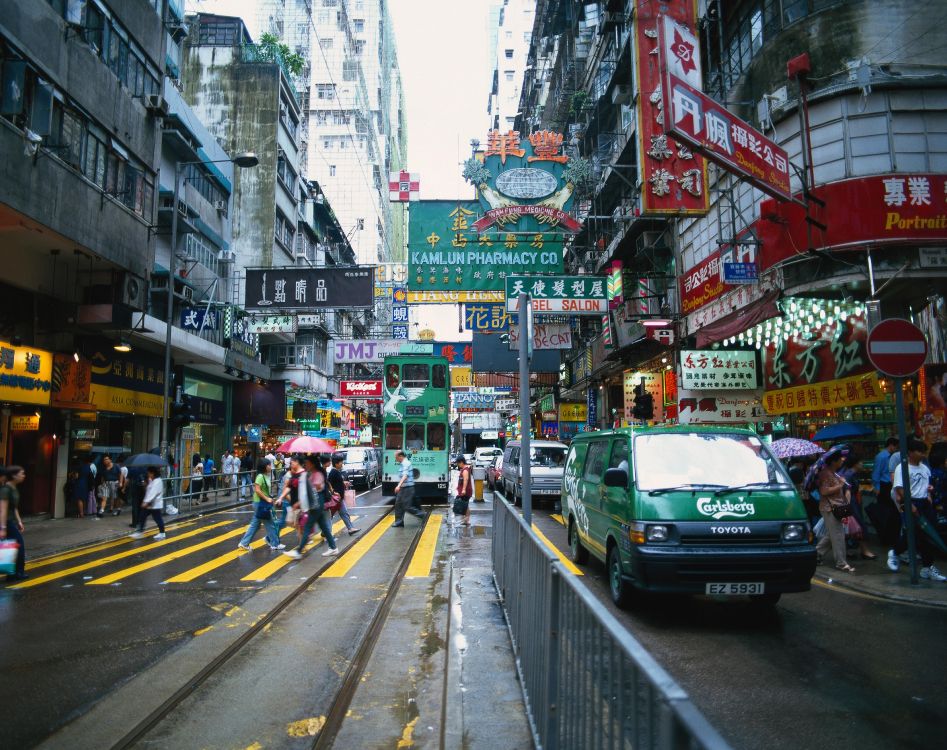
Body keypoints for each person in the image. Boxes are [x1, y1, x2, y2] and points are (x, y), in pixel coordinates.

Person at [887, 439, 946, 581]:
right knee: (913, 534)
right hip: (911, 503)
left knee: (928, 534)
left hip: (924, 503)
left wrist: (929, 493)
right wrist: (910, 505)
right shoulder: (902, 468)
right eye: (920, 452)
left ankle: (927, 567)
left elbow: (927, 484)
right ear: (910, 452)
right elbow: (900, 488)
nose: (923, 455)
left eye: (924, 452)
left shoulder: (925, 468)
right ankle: (895, 553)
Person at [810, 445, 855, 573]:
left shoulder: (833, 473)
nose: (842, 460)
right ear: (834, 461)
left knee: (832, 535)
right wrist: (840, 485)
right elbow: (824, 491)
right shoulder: (826, 474)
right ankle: (841, 563)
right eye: (840, 459)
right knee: (838, 536)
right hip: (830, 508)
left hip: (835, 507)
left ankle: (816, 554)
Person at [284, 455, 339, 558]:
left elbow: (315, 488)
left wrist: (307, 486)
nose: (306, 465)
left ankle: (298, 551)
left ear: (312, 464)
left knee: (308, 526)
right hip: (316, 503)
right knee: (324, 527)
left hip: (316, 503)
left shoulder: (317, 474)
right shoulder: (311, 473)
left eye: (307, 463)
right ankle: (333, 547)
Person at [237, 459, 282, 551]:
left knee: (255, 525)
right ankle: (275, 544)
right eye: (269, 465)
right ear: (264, 466)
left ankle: (244, 543)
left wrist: (269, 498)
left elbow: (265, 490)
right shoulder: (260, 476)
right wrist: (267, 499)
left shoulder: (266, 476)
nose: (271, 467)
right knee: (270, 523)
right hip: (260, 503)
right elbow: (257, 490)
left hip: (261, 503)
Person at [838, 455, 875, 560]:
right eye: (860, 462)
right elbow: (847, 491)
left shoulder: (851, 474)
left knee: (852, 527)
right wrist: (847, 506)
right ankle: (864, 550)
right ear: (855, 464)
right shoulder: (849, 475)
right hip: (851, 503)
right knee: (859, 525)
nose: (862, 464)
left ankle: (850, 550)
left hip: (853, 502)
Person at [0, 466, 28, 580]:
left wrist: (19, 521)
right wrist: (3, 528)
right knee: (18, 545)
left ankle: (12, 573)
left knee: (13, 547)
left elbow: (14, 507)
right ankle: (17, 572)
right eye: (21, 473)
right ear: (14, 476)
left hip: (10, 521)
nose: (23, 476)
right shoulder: (5, 490)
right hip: (5, 522)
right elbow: (3, 510)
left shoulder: (14, 488)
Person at [325, 454, 360, 536]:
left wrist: (344, 483)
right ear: (336, 463)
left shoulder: (336, 471)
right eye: (341, 462)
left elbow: (336, 482)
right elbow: (328, 483)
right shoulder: (333, 472)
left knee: (343, 514)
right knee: (331, 516)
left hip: (339, 498)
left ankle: (350, 528)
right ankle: (325, 531)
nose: (342, 464)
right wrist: (333, 492)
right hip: (336, 499)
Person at [130, 467, 167, 540]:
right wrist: (145, 485)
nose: (148, 474)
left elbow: (153, 493)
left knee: (157, 518)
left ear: (153, 473)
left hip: (154, 504)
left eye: (149, 473)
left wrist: (146, 502)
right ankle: (140, 532)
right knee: (142, 516)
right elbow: (148, 490)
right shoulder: (151, 480)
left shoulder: (157, 481)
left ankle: (162, 533)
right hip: (150, 504)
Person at [392, 449, 425, 527]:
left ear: (400, 456)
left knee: (407, 506)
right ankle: (399, 522)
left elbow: (405, 476)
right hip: (403, 488)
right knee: (398, 504)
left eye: (396, 457)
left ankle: (422, 515)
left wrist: (398, 486)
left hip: (407, 488)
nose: (395, 459)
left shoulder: (406, 463)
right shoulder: (402, 463)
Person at [455, 455, 473, 526]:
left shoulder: (465, 470)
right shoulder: (464, 469)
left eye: (458, 463)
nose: (458, 465)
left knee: (465, 506)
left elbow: (465, 479)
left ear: (461, 462)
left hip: (466, 491)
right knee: (465, 505)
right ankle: (466, 521)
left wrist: (463, 489)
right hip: (465, 491)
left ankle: (467, 521)